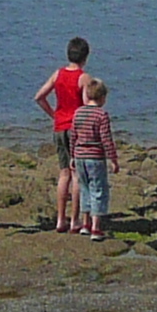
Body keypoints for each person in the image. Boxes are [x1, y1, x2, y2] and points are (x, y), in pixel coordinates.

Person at [33, 37, 90, 232]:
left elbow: (39, 97)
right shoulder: (84, 78)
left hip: (59, 126)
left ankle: (60, 220)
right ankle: (74, 220)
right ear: (86, 57)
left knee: (63, 173)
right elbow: (86, 106)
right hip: (76, 129)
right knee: (77, 175)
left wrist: (54, 114)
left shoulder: (58, 74)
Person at [68, 76, 120, 239]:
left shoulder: (78, 113)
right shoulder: (101, 115)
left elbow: (73, 135)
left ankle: (85, 223)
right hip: (95, 158)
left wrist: (72, 156)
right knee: (98, 190)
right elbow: (106, 138)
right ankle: (96, 227)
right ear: (103, 97)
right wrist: (113, 159)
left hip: (79, 156)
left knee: (85, 189)